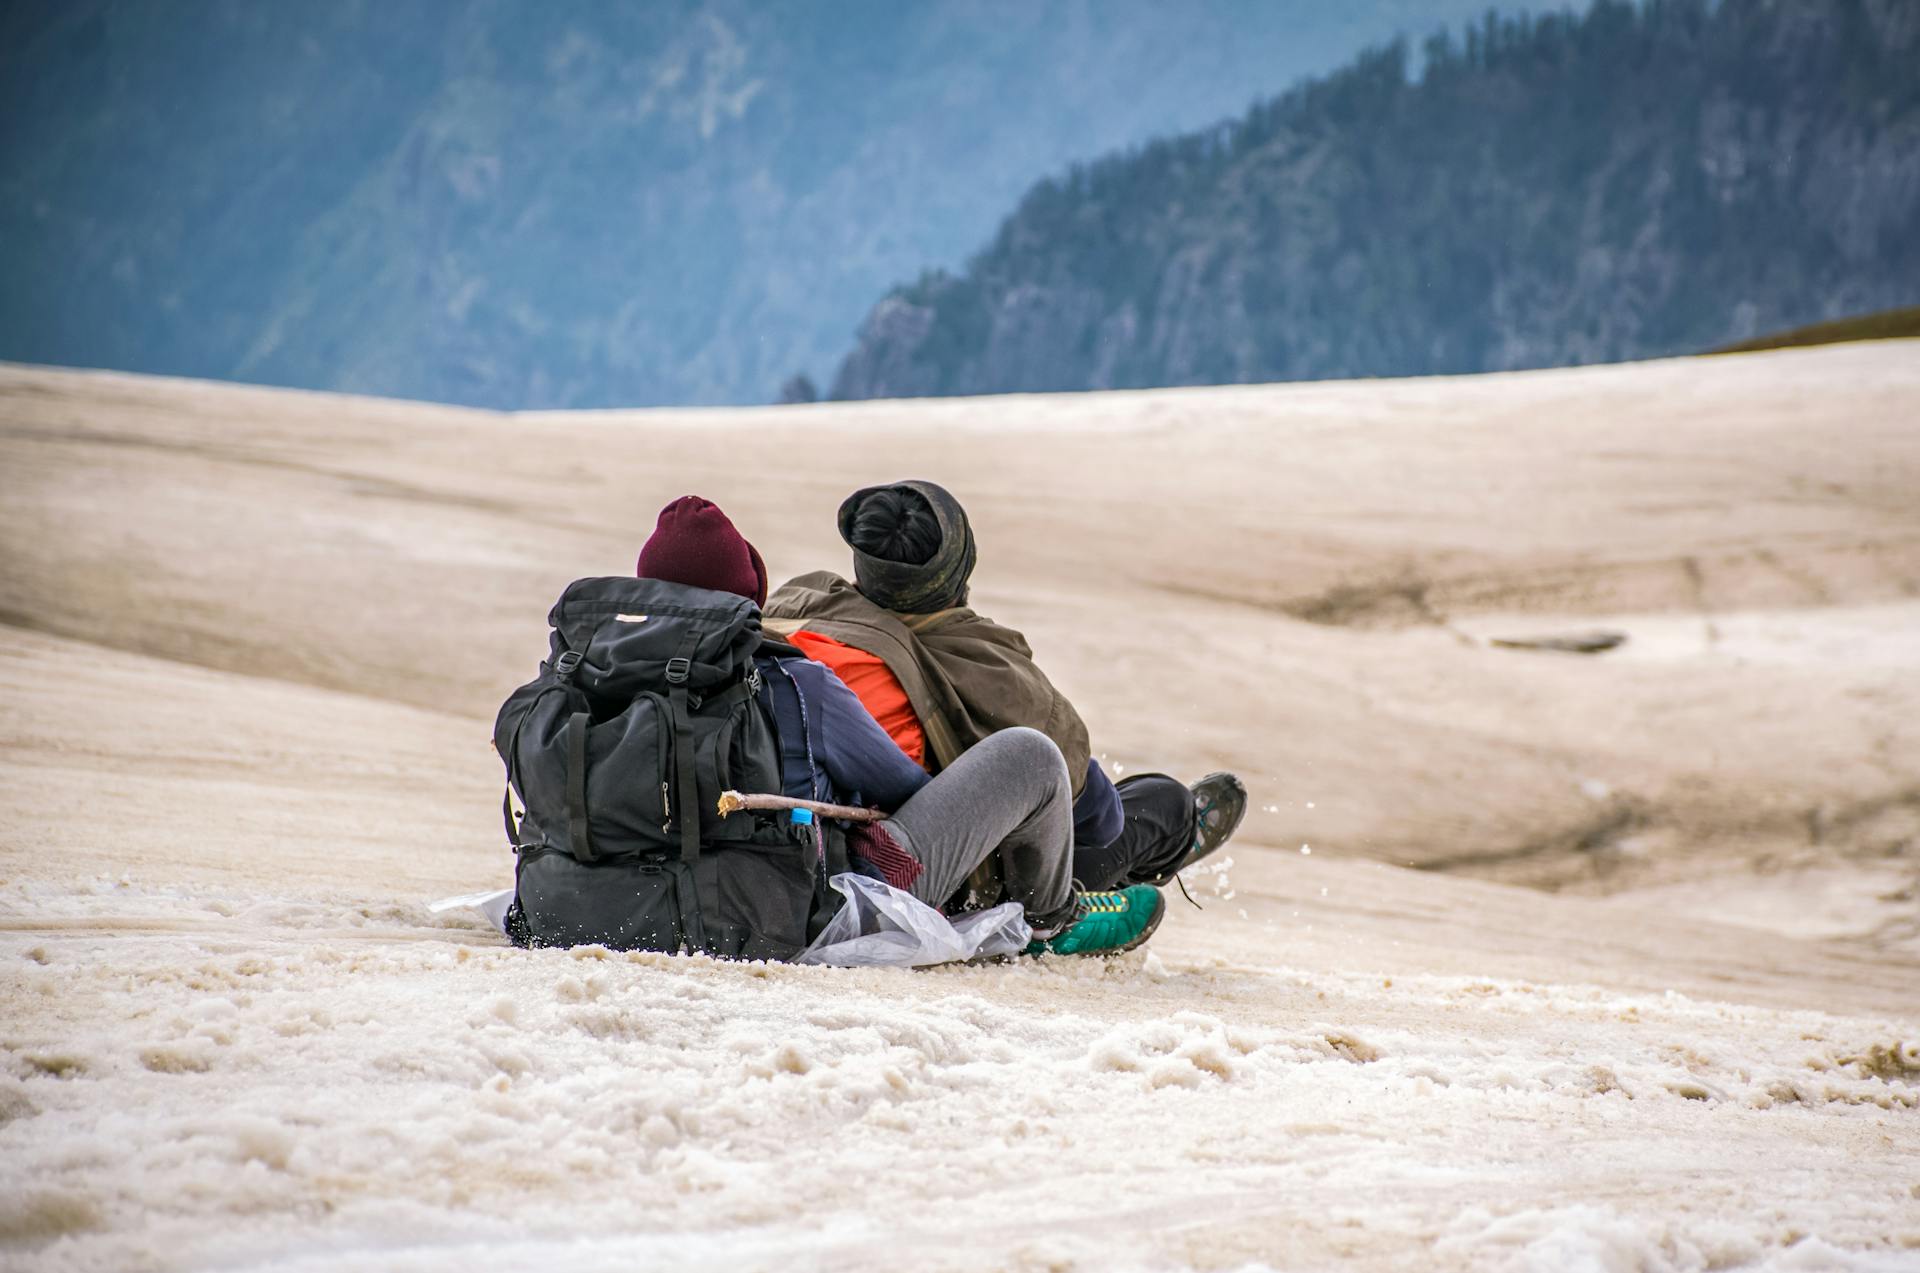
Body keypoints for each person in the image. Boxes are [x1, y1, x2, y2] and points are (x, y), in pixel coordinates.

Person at [634, 495, 1165, 956]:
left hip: (654, 898)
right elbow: (912, 792)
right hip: (807, 909)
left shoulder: (596, 680)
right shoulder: (803, 681)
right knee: (1081, 777)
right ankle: (1053, 923)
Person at [761, 480, 1247, 901]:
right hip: (929, 873)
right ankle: (1145, 861)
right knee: (1159, 803)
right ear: (959, 565)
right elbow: (1096, 816)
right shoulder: (986, 665)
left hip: (793, 845)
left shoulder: (799, 611)